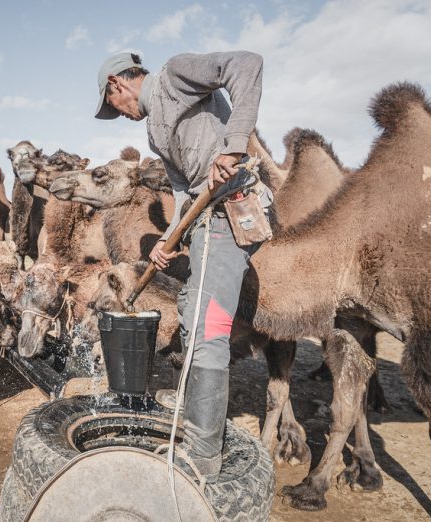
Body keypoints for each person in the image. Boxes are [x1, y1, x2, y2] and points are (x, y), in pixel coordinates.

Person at [95, 50, 269, 482]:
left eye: (111, 106)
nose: (119, 115)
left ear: (118, 85)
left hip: (229, 207)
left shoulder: (173, 75)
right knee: (192, 315)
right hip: (203, 218)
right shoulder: (155, 130)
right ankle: (194, 423)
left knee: (206, 330)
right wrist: (167, 243)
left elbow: (246, 64)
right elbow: (183, 190)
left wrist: (233, 145)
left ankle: (203, 457)